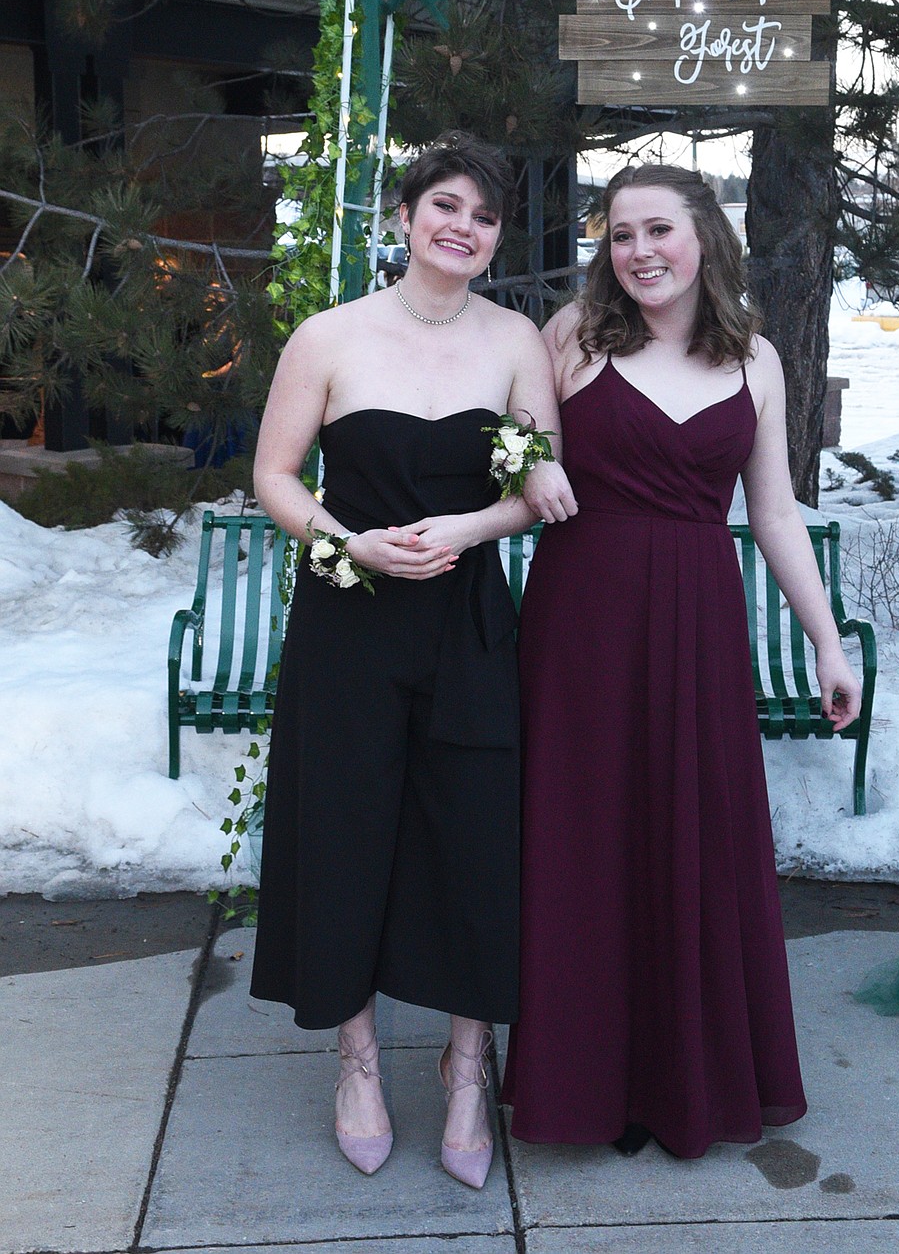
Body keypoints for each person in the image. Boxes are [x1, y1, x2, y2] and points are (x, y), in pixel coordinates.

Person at [501, 163, 863, 1159]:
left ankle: (686, 1085)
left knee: (690, 841)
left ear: (706, 236)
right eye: (621, 235)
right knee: (585, 847)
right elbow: (510, 447)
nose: (640, 252)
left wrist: (828, 643)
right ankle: (583, 1088)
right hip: (580, 623)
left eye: (659, 229)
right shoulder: (571, 337)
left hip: (700, 627)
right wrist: (532, 459)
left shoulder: (757, 360)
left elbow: (776, 514)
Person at [250, 131, 575, 1186]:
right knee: (345, 833)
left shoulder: (517, 341)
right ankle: (355, 1061)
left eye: (483, 217)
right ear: (403, 218)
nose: (463, 229)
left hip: (469, 622)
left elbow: (542, 488)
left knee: (476, 839)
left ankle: (468, 1065)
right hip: (349, 621)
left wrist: (466, 532)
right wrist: (345, 541)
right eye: (445, 206)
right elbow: (277, 476)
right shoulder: (329, 336)